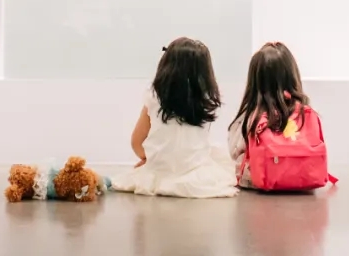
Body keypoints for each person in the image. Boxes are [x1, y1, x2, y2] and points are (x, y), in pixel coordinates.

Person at [110, 38, 237, 198]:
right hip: (195, 173)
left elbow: (136, 142)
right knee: (215, 155)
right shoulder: (205, 102)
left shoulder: (154, 99)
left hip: (160, 172)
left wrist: (150, 160)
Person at [228, 42, 311, 189]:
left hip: (257, 183)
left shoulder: (249, 117)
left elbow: (233, 152)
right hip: (303, 179)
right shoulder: (303, 113)